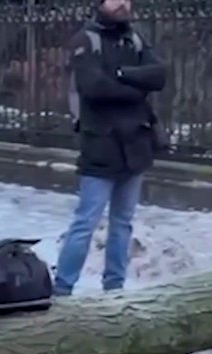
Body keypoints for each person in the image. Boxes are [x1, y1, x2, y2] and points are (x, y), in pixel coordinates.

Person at [54, 0, 166, 297]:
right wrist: (136, 86)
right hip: (100, 146)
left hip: (135, 146)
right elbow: (94, 88)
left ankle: (114, 290)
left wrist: (119, 74)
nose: (124, 4)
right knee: (85, 224)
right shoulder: (85, 40)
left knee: (123, 224)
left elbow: (159, 75)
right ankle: (62, 290)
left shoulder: (136, 38)